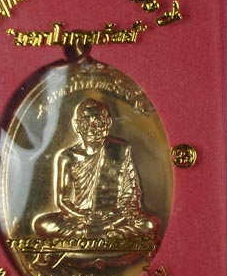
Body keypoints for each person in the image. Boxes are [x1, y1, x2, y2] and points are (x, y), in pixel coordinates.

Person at [34, 98, 158, 241]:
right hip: (81, 219)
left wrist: (118, 213)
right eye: (86, 123)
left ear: (108, 123)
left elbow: (130, 190)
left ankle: (94, 236)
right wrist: (82, 216)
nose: (93, 128)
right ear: (77, 126)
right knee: (42, 224)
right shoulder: (68, 157)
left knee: (150, 223)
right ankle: (108, 237)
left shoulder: (120, 149)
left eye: (98, 122)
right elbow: (63, 200)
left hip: (113, 217)